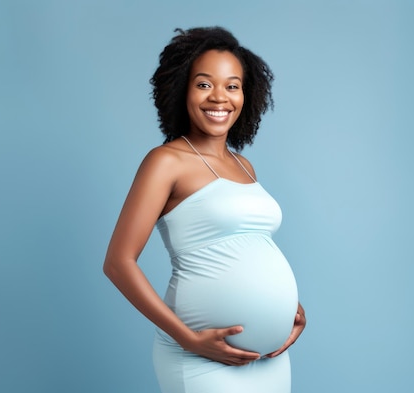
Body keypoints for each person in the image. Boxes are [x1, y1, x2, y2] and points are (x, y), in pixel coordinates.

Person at [103, 26, 306, 393]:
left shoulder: (244, 166)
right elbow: (118, 262)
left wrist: (287, 307)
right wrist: (188, 340)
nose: (219, 97)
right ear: (182, 90)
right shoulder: (166, 162)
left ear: (247, 94)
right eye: (203, 84)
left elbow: (247, 248)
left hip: (270, 360)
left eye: (232, 85)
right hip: (200, 357)